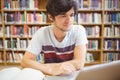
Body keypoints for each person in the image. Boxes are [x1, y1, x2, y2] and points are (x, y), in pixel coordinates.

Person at [21, 0, 88, 76]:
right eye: (63, 16)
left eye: (71, 15)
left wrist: (50, 67)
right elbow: (25, 61)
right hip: (50, 76)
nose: (69, 20)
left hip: (72, 76)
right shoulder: (41, 33)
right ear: (50, 17)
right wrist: (49, 69)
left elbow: (79, 63)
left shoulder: (78, 30)